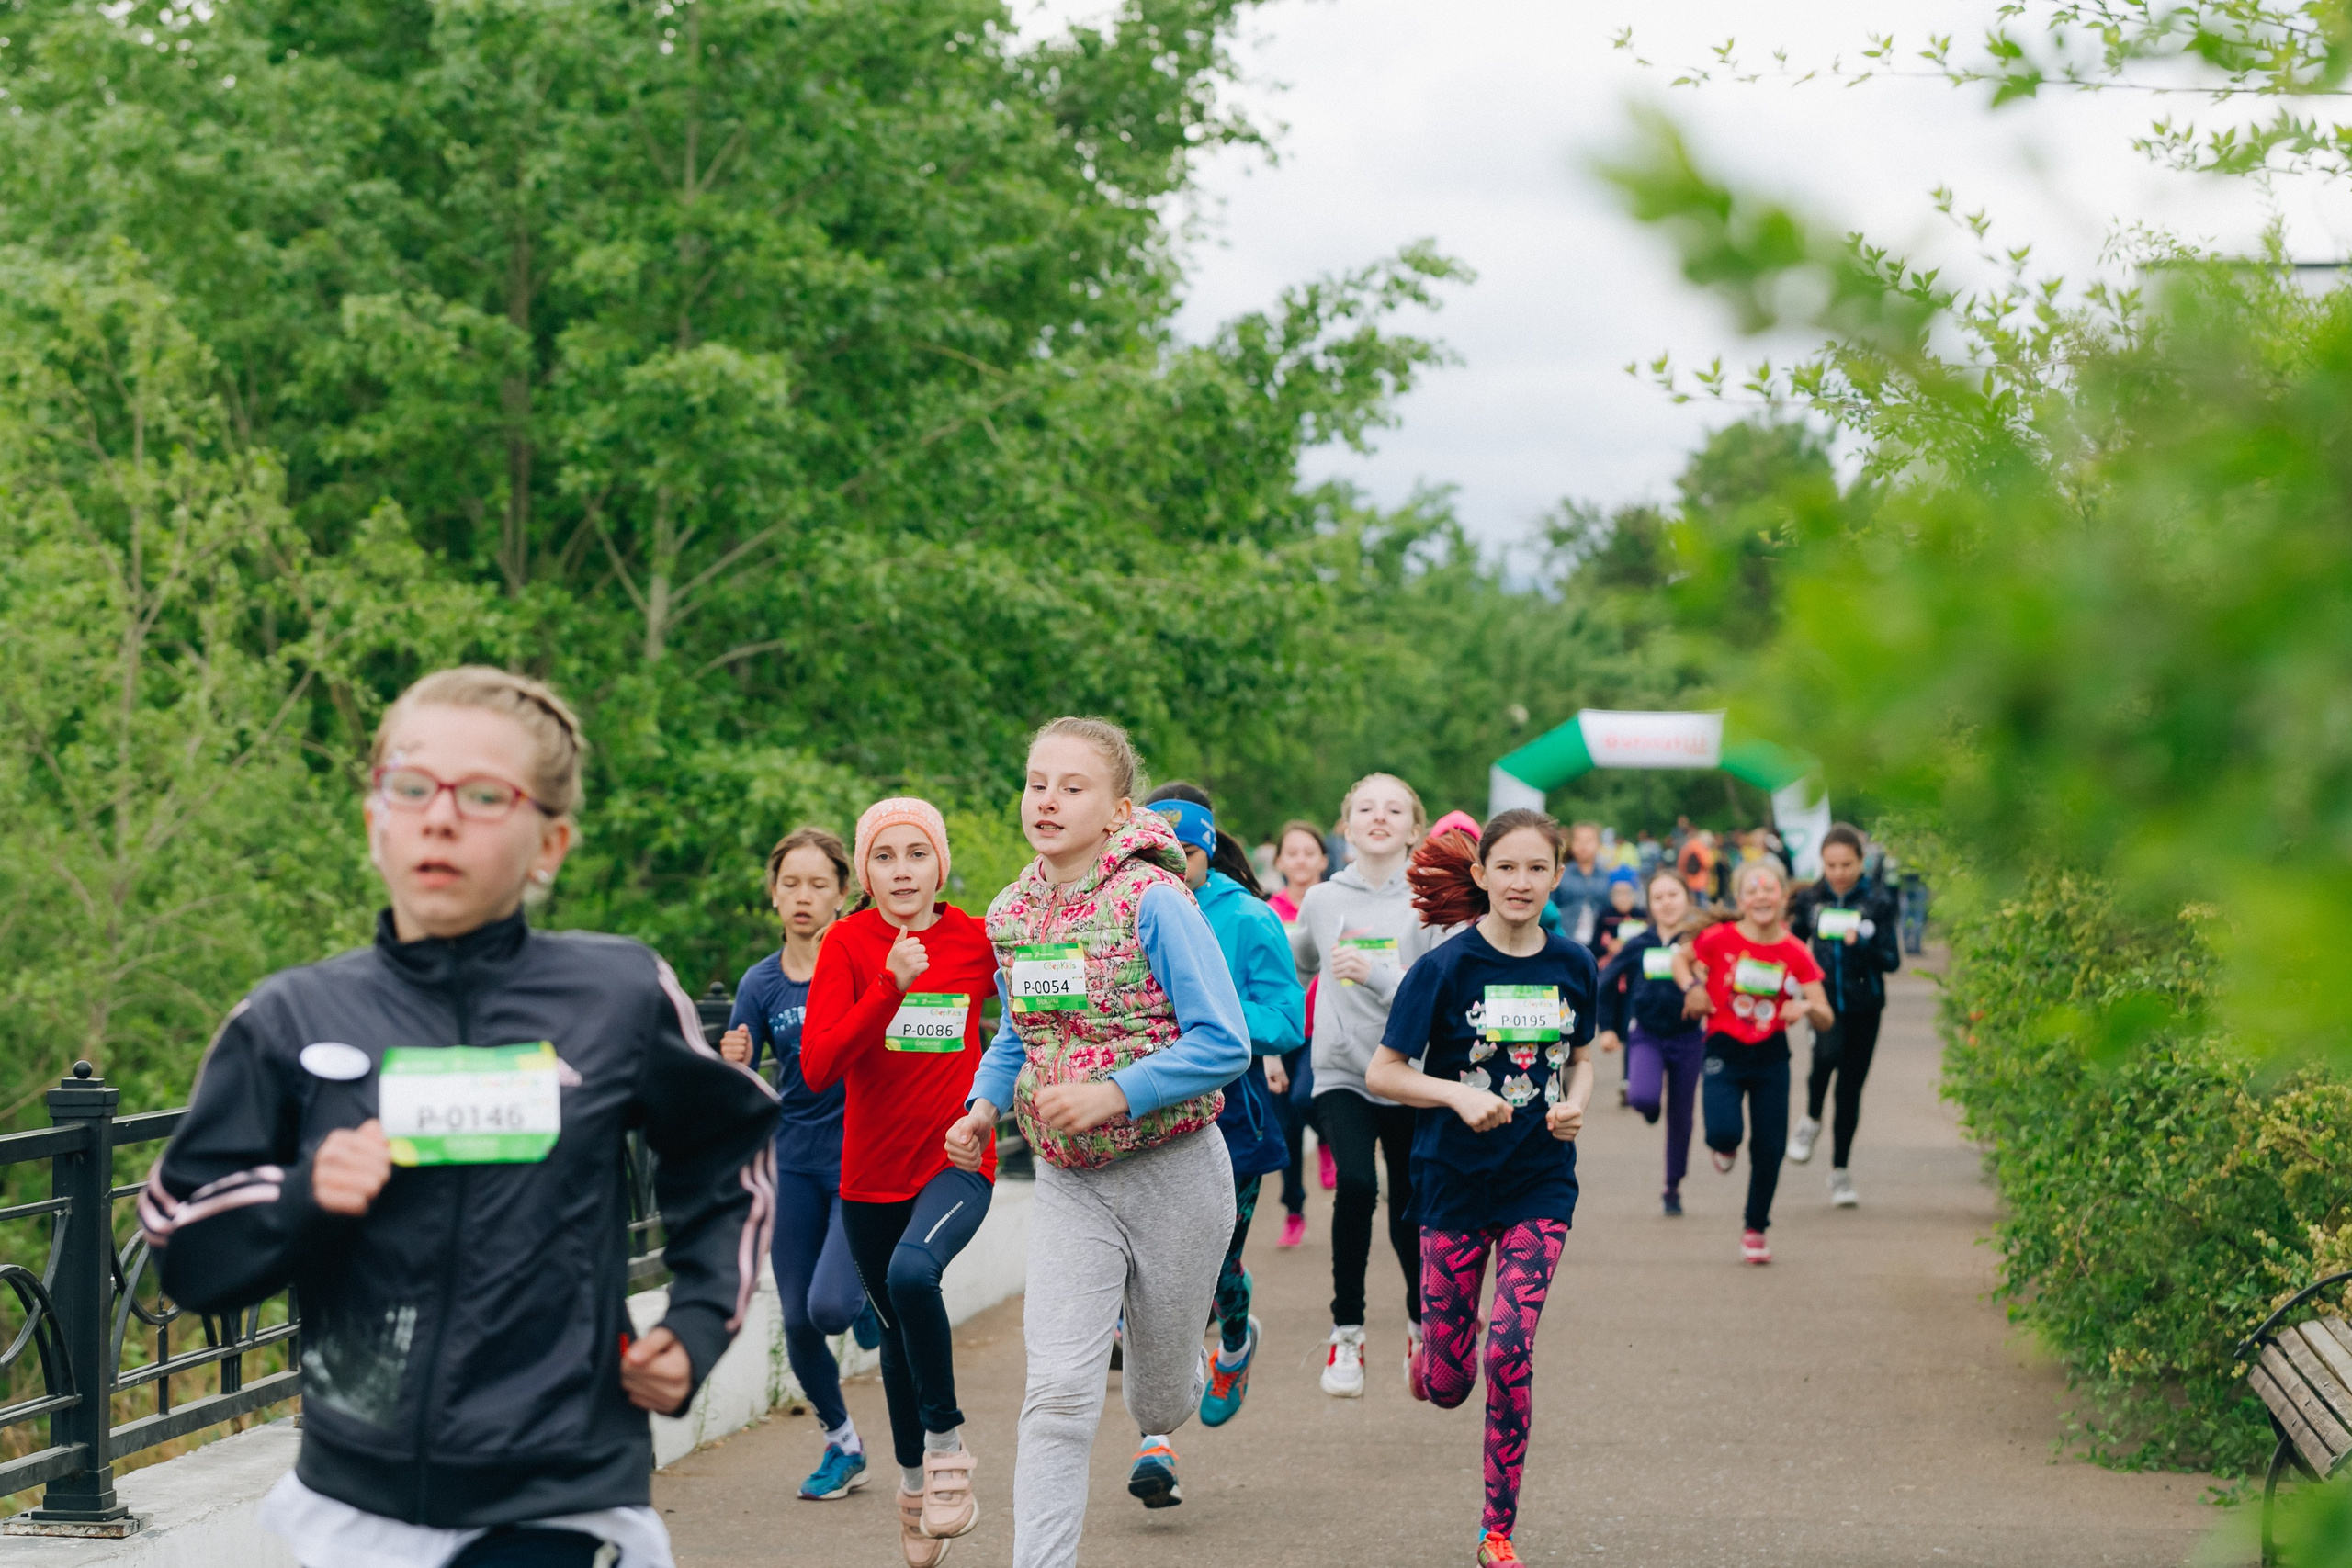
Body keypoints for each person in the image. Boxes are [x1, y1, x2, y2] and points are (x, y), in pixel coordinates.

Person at [141, 667, 779, 1568]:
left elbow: (731, 1156)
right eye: (411, 787)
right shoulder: (292, 1018)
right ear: (375, 819)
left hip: (562, 1491)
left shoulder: (618, 993)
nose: (439, 817)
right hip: (355, 1505)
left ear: (548, 843)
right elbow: (180, 1240)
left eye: (483, 795)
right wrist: (302, 1193)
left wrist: (701, 1318)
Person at [942, 717, 1249, 1564]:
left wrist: (1114, 1092)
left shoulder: (1158, 900)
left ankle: (1187, 1364)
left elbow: (1225, 1041)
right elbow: (1019, 1032)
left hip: (1176, 1173)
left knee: (1157, 1402)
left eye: (1071, 787)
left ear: (1116, 811)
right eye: (1037, 782)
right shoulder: (1009, 910)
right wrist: (981, 1103)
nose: (1047, 800)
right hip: (1071, 1181)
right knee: (1058, 1392)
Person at [1366, 809, 1596, 1568]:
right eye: (1507, 868)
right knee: (1450, 1382)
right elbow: (1385, 1070)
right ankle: (1431, 1354)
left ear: (1557, 876)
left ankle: (1497, 1528)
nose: (1521, 882)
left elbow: (1584, 1056)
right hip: (1452, 1182)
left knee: (1509, 1348)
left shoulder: (1574, 963)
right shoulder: (1444, 969)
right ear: (1481, 874)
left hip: (1538, 1181)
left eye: (1537, 869)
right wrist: (1458, 1096)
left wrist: (1575, 1103)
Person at [799, 798, 1001, 1568]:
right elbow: (818, 1065)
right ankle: (914, 1489)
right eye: (885, 857)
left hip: (954, 1161)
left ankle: (947, 1448)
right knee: (894, 1337)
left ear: (940, 863)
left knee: (916, 1273)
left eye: (917, 854)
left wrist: (991, 1108)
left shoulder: (975, 939)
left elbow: (1031, 1021)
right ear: (867, 871)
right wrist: (888, 984)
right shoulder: (849, 943)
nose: (902, 871)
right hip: (869, 1179)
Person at [718, 827, 872, 1502]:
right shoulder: (760, 982)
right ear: (773, 895)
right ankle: (841, 1441)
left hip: (863, 1156)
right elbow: (742, 1082)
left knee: (834, 1304)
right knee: (801, 1319)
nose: (802, 896)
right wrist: (731, 1064)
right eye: (789, 884)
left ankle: (867, 1286)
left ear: (844, 893)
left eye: (817, 883)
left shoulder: (867, 961)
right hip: (794, 1162)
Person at [1144, 786, 1304, 1434]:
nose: (1171, 867)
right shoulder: (1125, 911)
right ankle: (1155, 1440)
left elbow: (1288, 1020)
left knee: (1212, 1266)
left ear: (1207, 850)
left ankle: (1234, 1345)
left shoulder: (1247, 917)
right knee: (1150, 1277)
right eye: (1157, 853)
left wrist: (1209, 1017)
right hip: (1144, 1115)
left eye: (1184, 853)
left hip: (1231, 1120)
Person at [1290, 772, 1427, 1397]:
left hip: (1407, 1069)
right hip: (1341, 1070)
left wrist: (1377, 973)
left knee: (1409, 1204)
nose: (1379, 816)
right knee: (1354, 1182)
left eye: (1394, 808)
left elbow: (1430, 998)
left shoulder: (1430, 902)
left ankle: (1424, 1325)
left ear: (1413, 827)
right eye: (1365, 808)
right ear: (1346, 826)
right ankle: (1347, 1333)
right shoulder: (1321, 900)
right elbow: (1295, 962)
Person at [1676, 858, 1832, 1265]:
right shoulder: (1717, 938)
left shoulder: (1794, 951)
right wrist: (1692, 987)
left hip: (1770, 1057)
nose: (1762, 896)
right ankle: (1724, 1148)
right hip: (1724, 1050)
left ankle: (1755, 1227)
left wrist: (1804, 1008)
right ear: (1741, 899)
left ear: (1782, 896)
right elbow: (1680, 958)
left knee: (1770, 1148)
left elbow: (1825, 1012)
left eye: (1769, 889)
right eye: (1753, 890)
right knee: (1723, 1134)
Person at [1785, 823, 1904, 1207]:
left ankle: (1840, 1172)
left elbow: (1891, 960)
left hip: (1865, 1006)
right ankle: (1811, 1119)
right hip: (1823, 1002)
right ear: (1821, 863)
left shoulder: (1878, 902)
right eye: (1831, 865)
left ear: (1861, 861)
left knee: (1850, 1088)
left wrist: (1864, 943)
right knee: (1825, 1056)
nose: (1839, 873)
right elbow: (1792, 944)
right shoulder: (1810, 900)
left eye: (1847, 865)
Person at [1594, 869, 1711, 1215]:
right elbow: (1605, 983)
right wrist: (1608, 1028)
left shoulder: (1699, 941)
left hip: (1689, 1037)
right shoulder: (1639, 943)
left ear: (1687, 899)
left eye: (1673, 895)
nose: (1666, 903)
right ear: (1650, 905)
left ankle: (1672, 1186)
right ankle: (1650, 1104)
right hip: (1646, 1035)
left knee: (1681, 1116)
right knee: (1642, 1097)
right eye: (1658, 898)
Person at [1267, 818, 1331, 1247]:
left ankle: (1327, 1139)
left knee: (1303, 1095)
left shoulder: (1333, 905)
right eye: (1292, 852)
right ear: (1279, 862)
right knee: (1286, 1127)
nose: (1301, 859)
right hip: (1281, 1031)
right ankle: (1294, 1209)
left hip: (1324, 1029)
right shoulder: (1268, 912)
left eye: (1310, 851)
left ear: (1324, 859)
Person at [1549, 821, 1611, 948]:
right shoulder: (1560, 874)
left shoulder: (1607, 876)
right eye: (1578, 840)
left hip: (1599, 945)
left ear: (1599, 844)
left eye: (1589, 840)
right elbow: (1549, 907)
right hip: (1564, 940)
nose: (1584, 845)